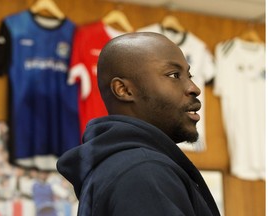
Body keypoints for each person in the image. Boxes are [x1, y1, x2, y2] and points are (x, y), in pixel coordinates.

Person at [57, 32, 220, 216]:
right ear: (124, 90)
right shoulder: (144, 173)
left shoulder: (121, 166)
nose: (194, 88)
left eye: (188, 75)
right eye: (174, 75)